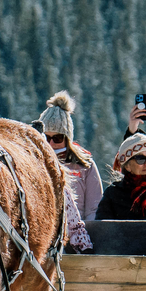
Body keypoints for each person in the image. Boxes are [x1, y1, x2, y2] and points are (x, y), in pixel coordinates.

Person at [37, 92, 98, 250]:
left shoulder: (84, 166)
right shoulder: (36, 165)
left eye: (57, 138)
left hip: (76, 240)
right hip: (44, 242)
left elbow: (94, 208)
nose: (50, 143)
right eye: (46, 138)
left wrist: (85, 239)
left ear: (67, 138)